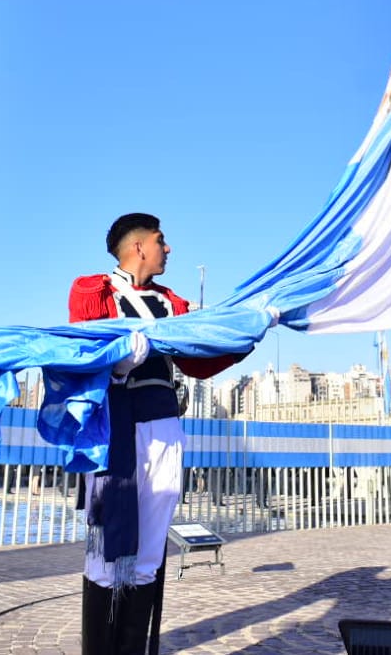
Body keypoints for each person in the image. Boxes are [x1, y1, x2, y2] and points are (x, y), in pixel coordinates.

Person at [70, 213, 243, 655]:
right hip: (115, 428)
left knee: (149, 552)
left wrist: (245, 331)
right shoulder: (93, 290)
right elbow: (82, 349)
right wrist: (121, 360)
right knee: (107, 551)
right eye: (162, 241)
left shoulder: (172, 303)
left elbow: (200, 360)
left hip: (163, 424)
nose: (169, 249)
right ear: (140, 246)